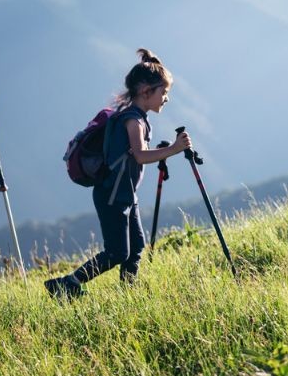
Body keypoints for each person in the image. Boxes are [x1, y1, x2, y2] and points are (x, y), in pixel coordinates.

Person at [45, 48, 191, 297]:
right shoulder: (133, 120)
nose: (166, 98)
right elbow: (141, 155)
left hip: (123, 194)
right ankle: (68, 283)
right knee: (117, 252)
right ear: (146, 91)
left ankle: (128, 294)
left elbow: (135, 153)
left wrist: (162, 151)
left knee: (136, 248)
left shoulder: (137, 117)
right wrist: (174, 150)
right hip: (112, 196)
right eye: (163, 92)